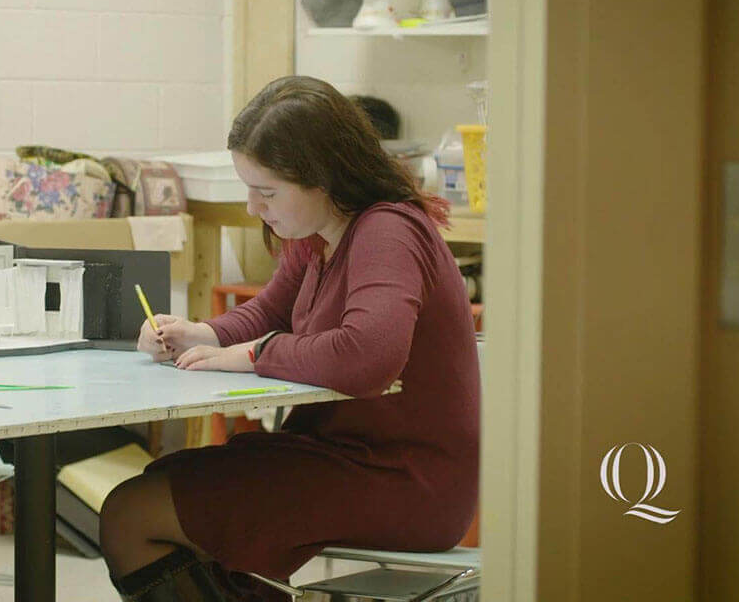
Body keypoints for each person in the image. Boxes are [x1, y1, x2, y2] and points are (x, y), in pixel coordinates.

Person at [99, 76, 480, 601]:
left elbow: (369, 356)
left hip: (404, 478)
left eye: (267, 191)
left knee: (134, 512)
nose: (253, 208)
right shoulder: (318, 234)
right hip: (344, 456)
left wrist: (254, 354)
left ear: (324, 178)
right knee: (154, 490)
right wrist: (195, 334)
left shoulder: (387, 231)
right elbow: (269, 312)